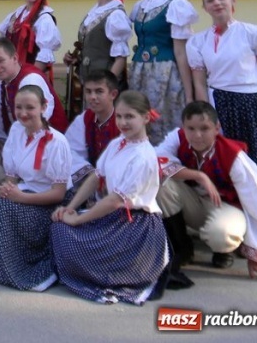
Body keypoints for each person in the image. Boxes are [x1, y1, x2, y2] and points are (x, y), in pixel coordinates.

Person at [50, 91, 168, 305]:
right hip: (114, 216)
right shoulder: (119, 143)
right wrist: (71, 207)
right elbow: (96, 176)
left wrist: (77, 219)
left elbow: (115, 200)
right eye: (120, 116)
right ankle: (81, 271)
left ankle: (101, 274)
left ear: (146, 118)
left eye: (130, 116)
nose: (123, 122)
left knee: (71, 235)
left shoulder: (143, 156)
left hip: (135, 226)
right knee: (59, 227)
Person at [155, 101, 257, 283]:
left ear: (216, 128)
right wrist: (198, 176)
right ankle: (182, 246)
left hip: (227, 206)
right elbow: (157, 161)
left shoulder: (233, 155)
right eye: (191, 128)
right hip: (195, 202)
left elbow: (255, 201)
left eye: (204, 128)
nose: (197, 135)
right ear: (183, 128)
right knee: (161, 183)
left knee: (222, 234)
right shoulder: (178, 137)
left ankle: (224, 250)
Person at [186, 0, 257, 211]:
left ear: (233, 1)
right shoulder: (199, 41)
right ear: (205, 7)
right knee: (227, 156)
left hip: (250, 103)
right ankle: (232, 210)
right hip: (219, 103)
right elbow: (199, 81)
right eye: (210, 0)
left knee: (255, 157)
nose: (217, 3)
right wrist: (207, 115)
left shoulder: (252, 33)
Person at [0, 85, 72, 290]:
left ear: (43, 107)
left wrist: (18, 197)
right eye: (18, 107)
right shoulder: (16, 130)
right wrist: (8, 190)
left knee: (5, 211)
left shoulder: (57, 142)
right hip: (23, 192)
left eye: (30, 108)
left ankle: (17, 267)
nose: (23, 113)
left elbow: (58, 193)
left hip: (47, 201)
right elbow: (12, 174)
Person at [127, 0, 198, 141]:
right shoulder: (140, 6)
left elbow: (181, 51)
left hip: (166, 74)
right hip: (140, 73)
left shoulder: (175, 4)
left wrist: (189, 93)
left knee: (164, 124)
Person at [0, 37, 68, 161]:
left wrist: (17, 146)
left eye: (0, 61)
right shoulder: (4, 82)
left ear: (14, 58)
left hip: (47, 143)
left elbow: (38, 118)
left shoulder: (31, 79)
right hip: (20, 138)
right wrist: (0, 140)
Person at [64, 0, 131, 86]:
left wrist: (106, 86)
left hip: (105, 85)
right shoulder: (94, 12)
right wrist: (75, 59)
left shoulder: (116, 15)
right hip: (89, 81)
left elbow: (121, 58)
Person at [0, 0, 61, 74]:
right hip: (10, 75)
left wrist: (27, 78)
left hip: (29, 79)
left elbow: (43, 56)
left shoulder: (44, 18)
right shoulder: (16, 15)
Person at [65, 70, 120, 186]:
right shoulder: (84, 119)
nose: (92, 97)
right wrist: (90, 173)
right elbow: (70, 151)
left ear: (113, 94)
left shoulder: (123, 122)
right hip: (90, 180)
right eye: (88, 92)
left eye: (99, 91)